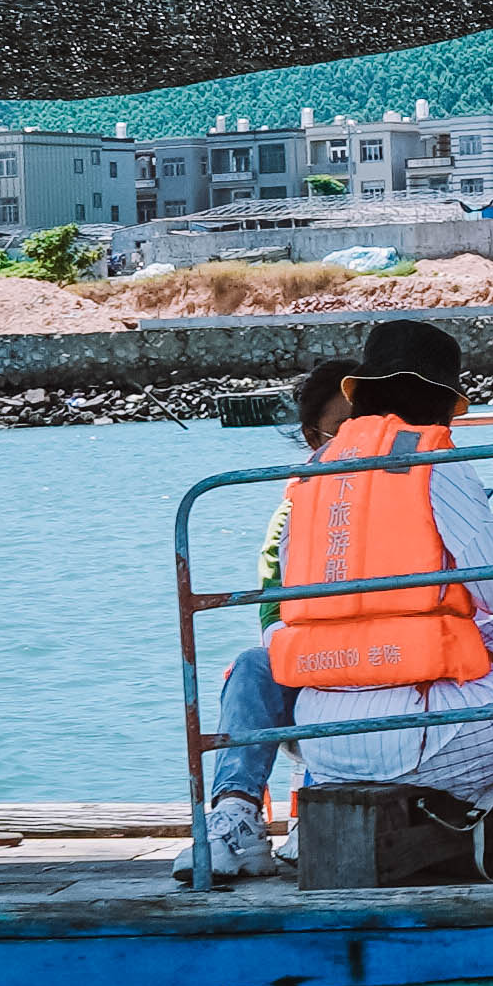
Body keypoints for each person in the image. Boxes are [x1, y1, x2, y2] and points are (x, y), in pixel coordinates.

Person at [266, 315, 493, 858]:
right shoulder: (436, 460)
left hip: (323, 739)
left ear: (364, 395)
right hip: (424, 736)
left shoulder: (313, 474)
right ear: (440, 400)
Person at [195, 359, 358, 877]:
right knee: (252, 667)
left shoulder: (429, 484)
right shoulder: (296, 510)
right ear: (314, 436)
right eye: (343, 428)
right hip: (323, 670)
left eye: (369, 422)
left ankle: (315, 806)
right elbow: (272, 608)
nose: (359, 440)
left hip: (404, 668)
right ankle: (235, 816)